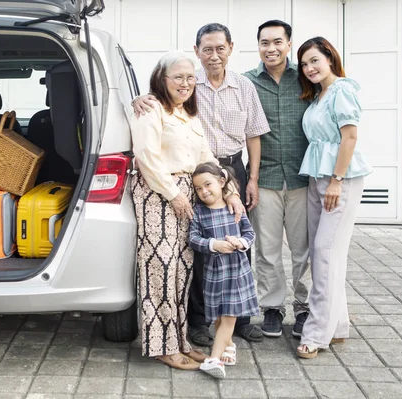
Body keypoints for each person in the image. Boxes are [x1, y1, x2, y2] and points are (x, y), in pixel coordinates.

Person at [133, 23, 269, 346]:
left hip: (221, 171)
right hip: (179, 185)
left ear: (231, 48)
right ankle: (189, 329)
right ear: (197, 53)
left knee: (216, 252)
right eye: (207, 49)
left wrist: (236, 186)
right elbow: (147, 150)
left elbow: (240, 140)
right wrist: (138, 98)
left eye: (220, 48)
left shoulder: (227, 93)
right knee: (184, 258)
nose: (214, 55)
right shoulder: (168, 99)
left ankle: (234, 320)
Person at [130, 50, 244, 370]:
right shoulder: (151, 109)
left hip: (185, 195)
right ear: (162, 79)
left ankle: (179, 339)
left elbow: (206, 160)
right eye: (178, 77)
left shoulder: (189, 114)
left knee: (182, 272)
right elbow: (146, 157)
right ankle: (162, 346)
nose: (185, 83)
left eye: (190, 77)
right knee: (161, 272)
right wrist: (173, 194)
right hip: (158, 194)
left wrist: (230, 190)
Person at [295, 37, 372, 359]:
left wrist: (337, 181)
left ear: (329, 58)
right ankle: (337, 325)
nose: (309, 68)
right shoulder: (319, 95)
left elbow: (350, 137)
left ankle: (316, 333)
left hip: (339, 180)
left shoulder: (341, 90)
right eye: (304, 64)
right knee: (324, 253)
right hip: (316, 178)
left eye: (315, 60)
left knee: (325, 253)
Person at [244, 20, 311, 338]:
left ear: (288, 44)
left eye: (277, 42)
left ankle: (304, 308)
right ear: (258, 46)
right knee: (267, 249)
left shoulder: (307, 78)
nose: (270, 48)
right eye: (264, 42)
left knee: (304, 249)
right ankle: (272, 308)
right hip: (266, 178)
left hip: (303, 178)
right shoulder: (246, 82)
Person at [189, 162, 258, 379]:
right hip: (214, 273)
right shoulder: (199, 212)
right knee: (219, 317)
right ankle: (229, 346)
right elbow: (192, 238)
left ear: (221, 182)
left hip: (236, 273)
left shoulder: (234, 208)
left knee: (229, 317)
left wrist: (240, 242)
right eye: (198, 188)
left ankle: (214, 359)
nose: (204, 191)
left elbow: (250, 233)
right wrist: (213, 245)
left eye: (207, 184)